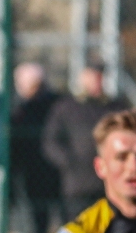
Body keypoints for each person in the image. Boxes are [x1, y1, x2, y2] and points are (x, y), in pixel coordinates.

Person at [43, 64, 129, 220]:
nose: (96, 81)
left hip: (108, 182)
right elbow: (51, 141)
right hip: (77, 185)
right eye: (92, 76)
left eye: (99, 76)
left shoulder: (115, 108)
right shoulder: (67, 107)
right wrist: (69, 162)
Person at [9, 62, 62, 233]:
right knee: (34, 223)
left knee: (56, 220)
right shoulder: (17, 109)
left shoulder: (55, 106)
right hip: (28, 174)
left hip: (53, 172)